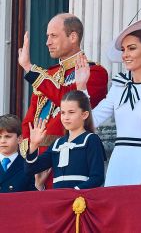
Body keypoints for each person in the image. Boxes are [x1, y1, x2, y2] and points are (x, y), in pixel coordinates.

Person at [76, 14, 141, 186]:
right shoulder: (118, 86)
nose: (125, 54)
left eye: (131, 48)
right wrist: (82, 87)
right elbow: (92, 121)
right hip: (117, 165)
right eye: (123, 50)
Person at [18, 13, 108, 188]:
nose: (47, 42)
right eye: (47, 36)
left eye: (53, 36)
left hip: (70, 161)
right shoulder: (47, 75)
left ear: (73, 36)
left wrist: (29, 68)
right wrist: (33, 151)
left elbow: (68, 99)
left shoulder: (95, 72)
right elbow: (30, 121)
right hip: (37, 162)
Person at [25, 90, 106, 189]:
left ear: (84, 114)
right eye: (63, 113)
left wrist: (74, 192)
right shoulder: (57, 144)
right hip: (58, 199)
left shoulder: (91, 140)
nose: (66, 117)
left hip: (81, 200)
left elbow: (97, 178)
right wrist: (33, 145)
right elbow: (31, 169)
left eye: (71, 112)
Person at [0, 114, 36, 193]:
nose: (2, 141)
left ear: (19, 139)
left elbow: (34, 199)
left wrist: (39, 184)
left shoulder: (28, 167)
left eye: (7, 136)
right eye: (0, 137)